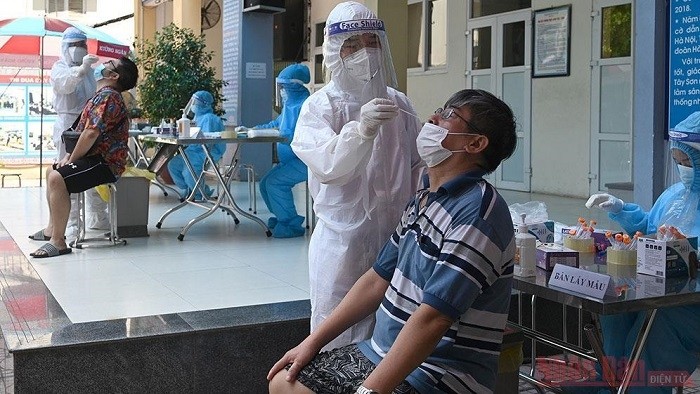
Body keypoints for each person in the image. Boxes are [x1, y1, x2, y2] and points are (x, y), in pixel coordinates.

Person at [269, 89, 518, 394]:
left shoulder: (478, 213)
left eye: (451, 115)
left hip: (438, 373)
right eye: (441, 107)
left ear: (475, 143)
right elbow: (376, 280)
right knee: (284, 382)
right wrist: (310, 343)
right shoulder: (424, 199)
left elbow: (433, 318)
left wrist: (369, 391)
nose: (434, 117)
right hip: (379, 352)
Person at [291, 1, 425, 351]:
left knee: (392, 335)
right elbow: (329, 166)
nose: (364, 52)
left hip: (396, 241)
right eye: (352, 44)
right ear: (335, 51)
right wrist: (360, 129)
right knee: (337, 334)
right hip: (342, 244)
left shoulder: (399, 104)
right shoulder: (321, 106)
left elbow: (419, 166)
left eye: (371, 41)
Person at [584, 111, 700, 393]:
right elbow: (648, 227)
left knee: (652, 331)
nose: (683, 169)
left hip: (689, 304)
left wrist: (687, 250)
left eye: (689, 162)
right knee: (615, 310)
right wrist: (620, 209)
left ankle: (641, 389)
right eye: (678, 162)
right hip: (657, 288)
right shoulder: (674, 195)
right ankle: (611, 382)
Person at [28, 57, 138, 258]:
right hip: (94, 158)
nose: (102, 64)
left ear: (114, 76)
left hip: (106, 163)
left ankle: (59, 242)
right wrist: (69, 156)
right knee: (51, 170)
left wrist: (70, 160)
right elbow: (80, 132)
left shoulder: (109, 97)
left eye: (109, 64)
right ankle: (51, 229)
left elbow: (90, 134)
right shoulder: (100, 96)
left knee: (56, 177)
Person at [48, 27, 111, 236]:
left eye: (82, 45)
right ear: (65, 47)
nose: (79, 49)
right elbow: (65, 85)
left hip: (88, 124)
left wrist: (94, 71)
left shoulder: (90, 71)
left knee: (91, 169)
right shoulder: (59, 68)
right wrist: (81, 70)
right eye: (74, 45)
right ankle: (71, 222)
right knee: (67, 173)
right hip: (67, 124)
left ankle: (98, 217)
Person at [252, 64, 311, 238]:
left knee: (275, 183)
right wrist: (254, 129)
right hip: (290, 161)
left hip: (304, 161)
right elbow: (276, 124)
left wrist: (284, 135)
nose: (282, 91)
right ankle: (281, 217)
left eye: (284, 87)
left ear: (294, 85)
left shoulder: (305, 105)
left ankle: (291, 224)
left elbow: (300, 135)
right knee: (264, 183)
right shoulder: (289, 105)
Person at [167, 90, 226, 200]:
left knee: (189, 172)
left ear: (204, 104)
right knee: (173, 165)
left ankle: (201, 194)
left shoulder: (210, 119)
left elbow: (208, 139)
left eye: (196, 102)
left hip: (206, 152)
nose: (193, 105)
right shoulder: (196, 118)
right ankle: (189, 189)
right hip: (193, 150)